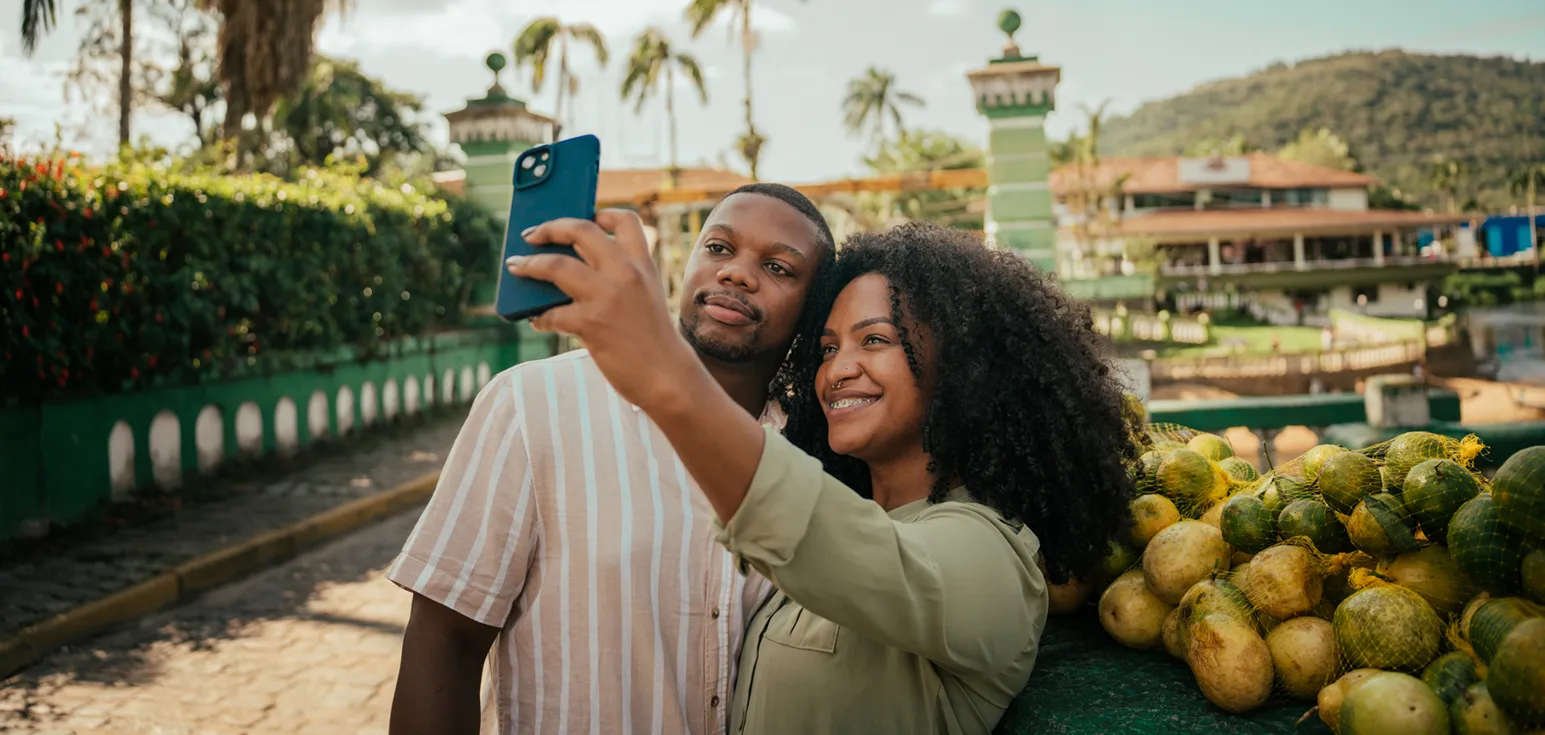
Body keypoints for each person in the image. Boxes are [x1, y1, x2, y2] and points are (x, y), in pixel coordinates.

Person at [510, 216, 1139, 734]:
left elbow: (836, 544)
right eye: (828, 348)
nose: (837, 370)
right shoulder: (850, 513)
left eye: (875, 340)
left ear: (965, 369)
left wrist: (665, 373)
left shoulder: (992, 557)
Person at [386, 184, 835, 735]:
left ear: (813, 310)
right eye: (719, 247)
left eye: (778, 267)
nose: (737, 273)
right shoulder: (532, 404)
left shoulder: (813, 457)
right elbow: (445, 642)